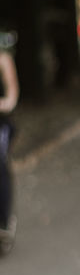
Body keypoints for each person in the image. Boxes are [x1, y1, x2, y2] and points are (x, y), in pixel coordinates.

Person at [0, 46, 20, 256]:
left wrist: (4, 103)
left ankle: (4, 222)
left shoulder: (3, 59)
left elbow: (11, 97)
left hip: (1, 123)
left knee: (0, 166)